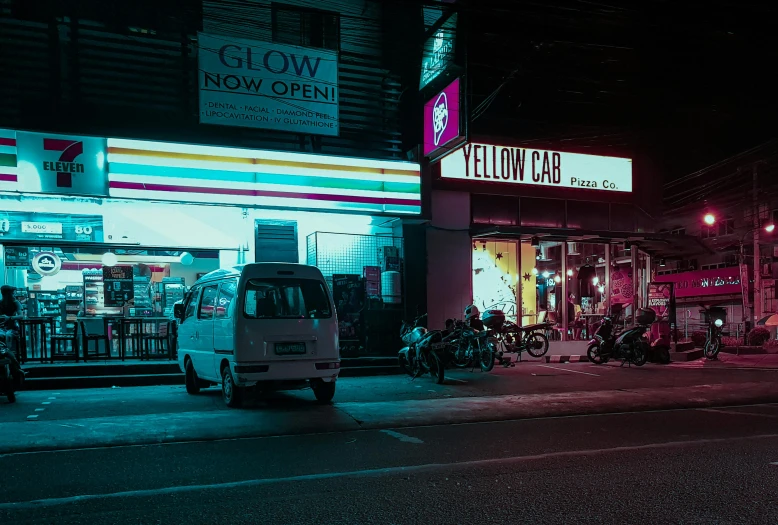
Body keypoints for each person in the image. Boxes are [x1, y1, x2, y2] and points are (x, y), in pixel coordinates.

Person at [0, 285, 24, 376]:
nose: (14, 295)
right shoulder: (0, 303)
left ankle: (8, 354)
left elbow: (21, 316)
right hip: (2, 328)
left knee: (8, 336)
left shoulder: (16, 303)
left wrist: (9, 318)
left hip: (12, 328)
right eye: (12, 293)